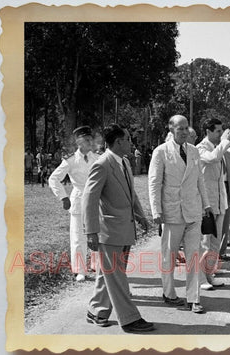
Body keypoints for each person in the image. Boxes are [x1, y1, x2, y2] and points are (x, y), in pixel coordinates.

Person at [82, 123, 153, 333]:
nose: (132, 142)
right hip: (108, 232)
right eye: (129, 139)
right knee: (117, 276)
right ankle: (130, 319)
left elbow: (132, 195)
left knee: (110, 274)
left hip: (124, 229)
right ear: (119, 141)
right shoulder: (102, 164)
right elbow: (89, 199)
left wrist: (140, 216)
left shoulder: (124, 163)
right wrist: (91, 231)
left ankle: (96, 311)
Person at [148, 115, 212, 314]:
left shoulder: (193, 151)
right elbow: (154, 183)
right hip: (172, 212)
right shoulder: (161, 152)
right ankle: (169, 293)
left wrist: (207, 204)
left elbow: (199, 180)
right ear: (171, 129)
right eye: (180, 129)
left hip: (193, 211)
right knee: (169, 255)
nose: (184, 132)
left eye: (186, 128)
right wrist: (156, 210)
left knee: (194, 255)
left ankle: (194, 298)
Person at [49, 126, 100, 281]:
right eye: (87, 140)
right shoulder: (71, 160)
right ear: (79, 142)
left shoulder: (98, 158)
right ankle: (80, 270)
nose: (91, 143)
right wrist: (63, 197)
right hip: (78, 199)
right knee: (78, 236)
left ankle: (97, 266)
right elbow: (53, 178)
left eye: (91, 139)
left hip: (96, 200)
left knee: (97, 234)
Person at [196, 118, 230, 290]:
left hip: (218, 201)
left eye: (221, 131)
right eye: (218, 131)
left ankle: (210, 274)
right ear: (208, 131)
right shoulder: (201, 148)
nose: (220, 134)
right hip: (206, 204)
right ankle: (200, 278)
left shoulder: (218, 148)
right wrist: (225, 141)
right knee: (204, 242)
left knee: (215, 243)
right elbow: (212, 158)